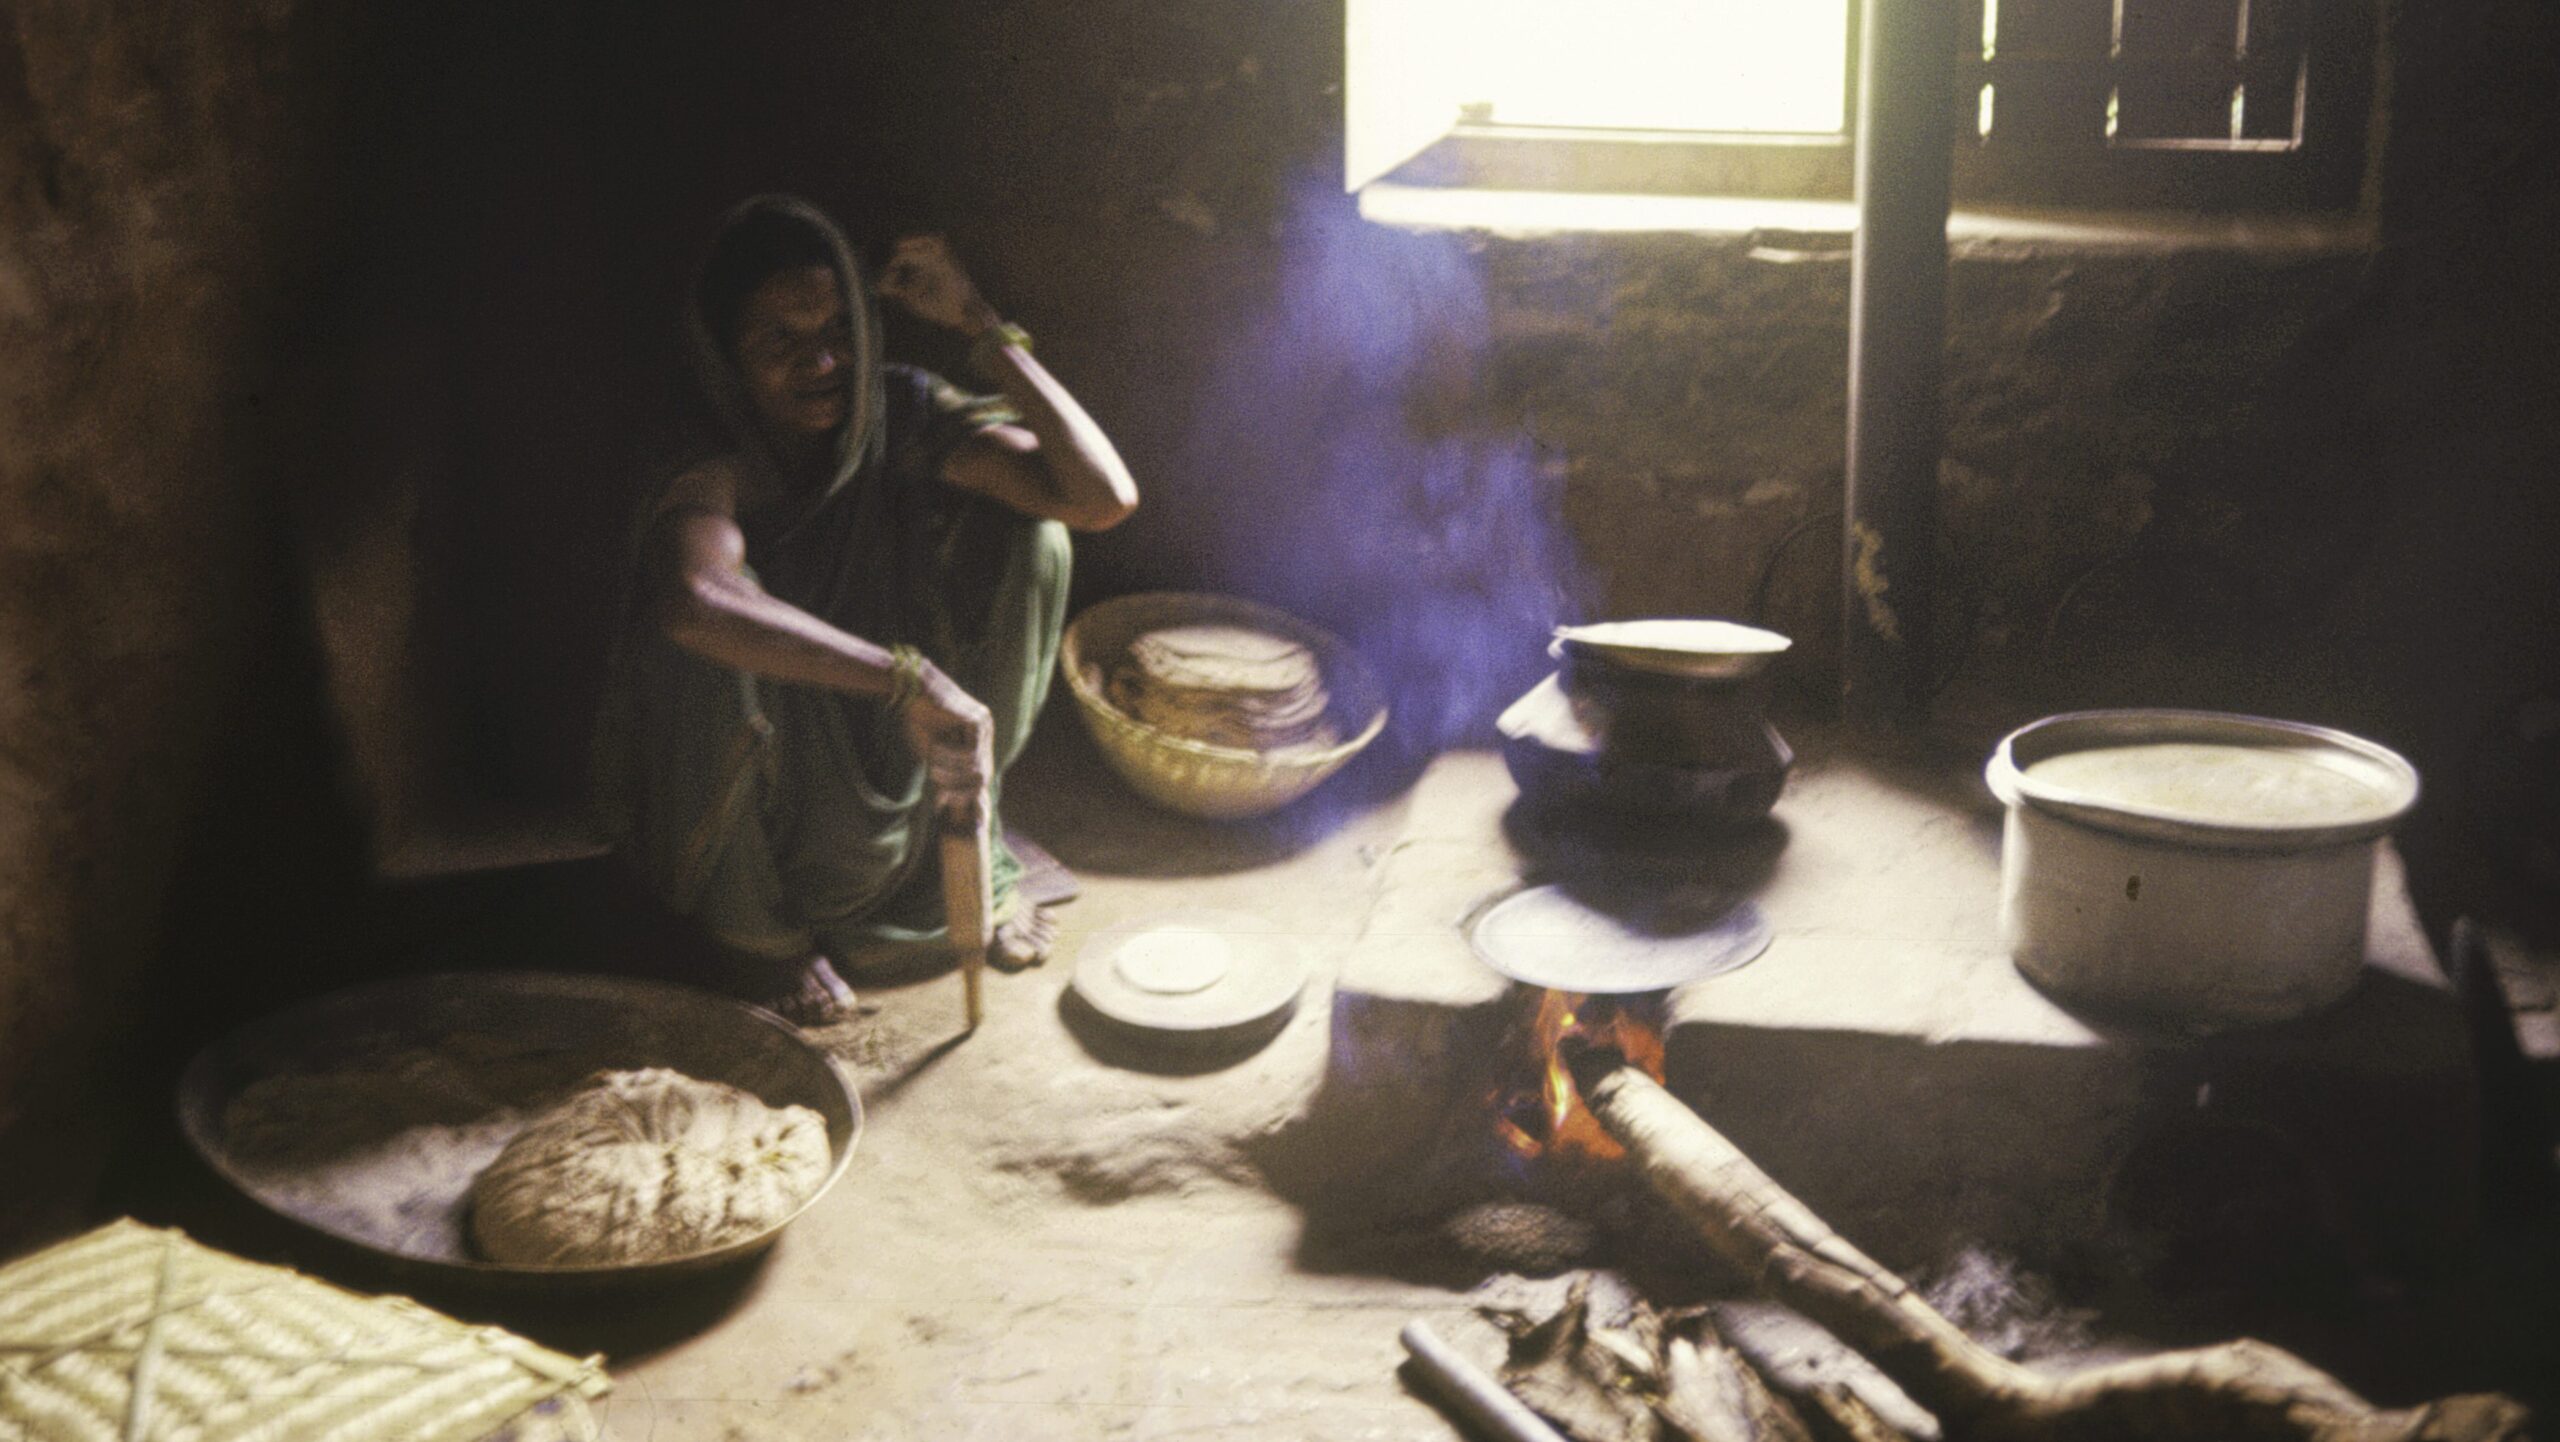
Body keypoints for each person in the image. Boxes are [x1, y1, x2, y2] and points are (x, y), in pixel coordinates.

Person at [596, 194, 1138, 1023]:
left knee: (1036, 540)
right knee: (705, 647)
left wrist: (980, 322)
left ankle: (964, 841)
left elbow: (1101, 496)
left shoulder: (896, 413)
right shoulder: (707, 449)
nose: (822, 364)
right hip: (755, 762)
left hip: (885, 738)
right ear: (727, 352)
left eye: (838, 330)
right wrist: (906, 682)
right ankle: (757, 937)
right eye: (782, 341)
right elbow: (695, 600)